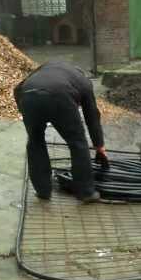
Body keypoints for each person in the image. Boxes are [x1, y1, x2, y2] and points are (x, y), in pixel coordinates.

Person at [13, 61, 107, 203]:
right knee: (77, 143)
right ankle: (86, 193)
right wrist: (99, 145)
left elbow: (18, 87)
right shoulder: (84, 82)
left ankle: (43, 191)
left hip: (28, 96)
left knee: (35, 142)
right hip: (59, 96)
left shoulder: (47, 66)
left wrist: (24, 109)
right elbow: (92, 115)